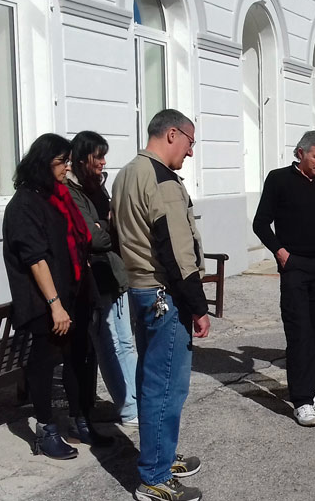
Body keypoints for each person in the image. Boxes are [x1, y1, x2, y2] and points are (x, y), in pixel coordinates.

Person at [112, 110, 210, 501]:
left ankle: (160, 457)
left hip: (140, 290)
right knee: (165, 387)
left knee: (152, 382)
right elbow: (176, 252)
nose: (190, 151)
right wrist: (198, 307)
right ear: (172, 134)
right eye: (190, 142)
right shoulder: (162, 180)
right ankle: (153, 476)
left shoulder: (126, 174)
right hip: (163, 294)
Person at [2, 133, 108, 460]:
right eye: (61, 161)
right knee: (44, 361)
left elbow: (76, 242)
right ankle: (45, 429)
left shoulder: (57, 196)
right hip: (44, 302)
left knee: (79, 357)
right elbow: (35, 258)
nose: (66, 167)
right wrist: (55, 305)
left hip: (71, 295)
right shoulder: (24, 204)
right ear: (43, 163)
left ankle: (80, 420)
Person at [252, 130, 315, 427]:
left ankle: (310, 388)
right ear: (300, 153)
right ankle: (301, 400)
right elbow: (261, 222)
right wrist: (281, 253)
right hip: (295, 266)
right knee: (299, 331)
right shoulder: (279, 180)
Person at [67, 131, 138, 428]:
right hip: (94, 277)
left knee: (126, 341)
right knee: (109, 343)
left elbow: (112, 226)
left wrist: (105, 224)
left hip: (112, 271)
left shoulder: (96, 186)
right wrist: (105, 227)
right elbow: (92, 237)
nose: (103, 162)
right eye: (99, 156)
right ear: (83, 158)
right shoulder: (72, 191)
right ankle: (129, 408)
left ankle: (136, 402)